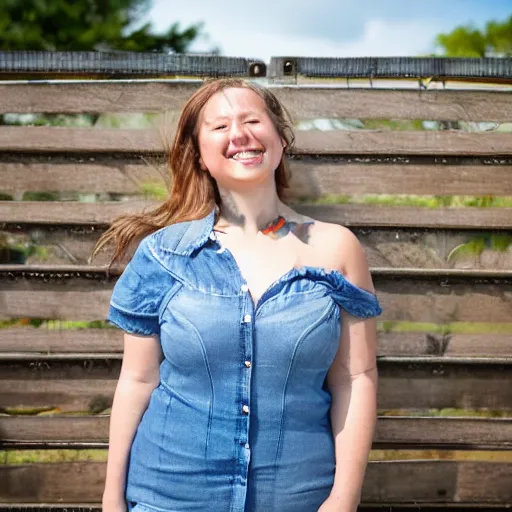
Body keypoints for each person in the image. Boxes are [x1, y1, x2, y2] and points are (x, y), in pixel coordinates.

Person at [97, 78, 382, 512]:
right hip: (168, 498)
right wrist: (111, 498)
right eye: (220, 126)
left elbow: (355, 379)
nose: (240, 134)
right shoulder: (163, 254)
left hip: (298, 499)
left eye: (252, 120)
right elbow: (137, 381)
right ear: (201, 157)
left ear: (280, 141)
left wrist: (345, 497)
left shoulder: (336, 248)